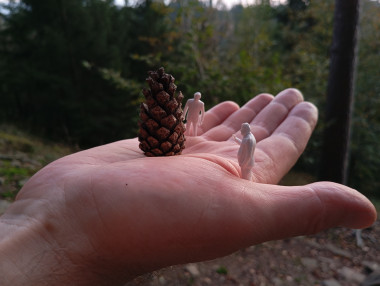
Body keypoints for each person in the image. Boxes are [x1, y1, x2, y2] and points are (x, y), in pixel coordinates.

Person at [0, 89, 376, 286]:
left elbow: (244, 150)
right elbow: (186, 116)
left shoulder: (245, 142)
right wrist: (53, 229)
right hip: (184, 139)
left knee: (240, 162)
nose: (195, 104)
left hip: (230, 154)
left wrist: (45, 231)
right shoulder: (191, 110)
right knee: (198, 132)